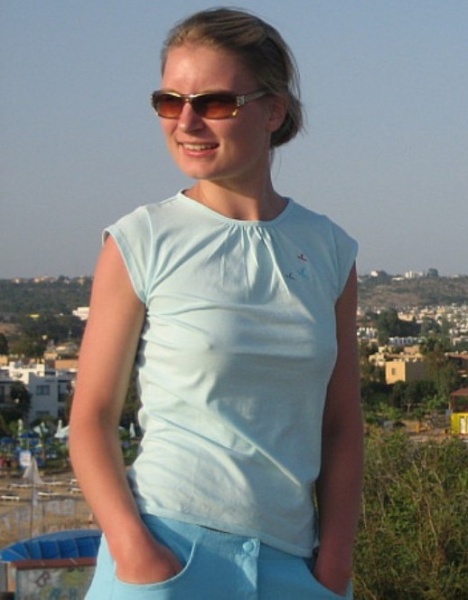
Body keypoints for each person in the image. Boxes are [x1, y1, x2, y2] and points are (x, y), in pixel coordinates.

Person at [69, 7, 363, 599]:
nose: (187, 121)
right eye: (169, 101)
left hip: (296, 570)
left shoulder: (329, 249)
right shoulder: (140, 240)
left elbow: (340, 424)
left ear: (274, 110)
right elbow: (92, 417)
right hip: (166, 558)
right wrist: (134, 550)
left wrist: (335, 563)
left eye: (215, 102)